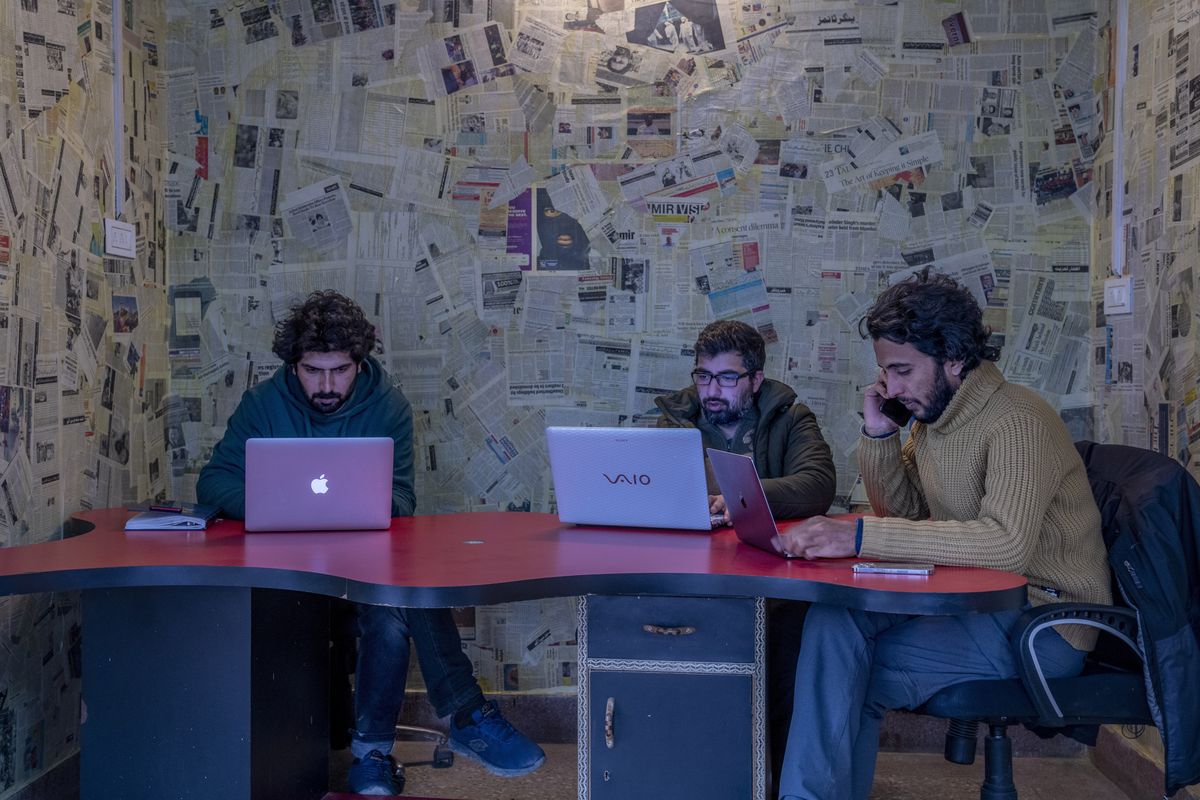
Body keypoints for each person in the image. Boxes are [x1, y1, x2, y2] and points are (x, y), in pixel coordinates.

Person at [772, 270, 1111, 800]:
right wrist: (879, 433)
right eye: (887, 372)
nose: (892, 388)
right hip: (973, 600)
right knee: (833, 620)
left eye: (903, 371)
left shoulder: (1018, 419)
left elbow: (1005, 545)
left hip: (1041, 620)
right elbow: (905, 512)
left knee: (852, 674)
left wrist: (859, 536)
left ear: (953, 358)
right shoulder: (937, 420)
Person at [196, 291, 545, 796]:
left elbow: (402, 498)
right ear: (294, 364)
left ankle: (374, 755)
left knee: (391, 608)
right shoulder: (262, 404)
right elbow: (213, 483)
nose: (327, 386)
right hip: (285, 577)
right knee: (396, 602)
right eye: (312, 371)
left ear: (359, 363)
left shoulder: (388, 407)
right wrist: (276, 507)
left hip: (363, 573)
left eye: (340, 370)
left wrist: (355, 506)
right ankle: (464, 714)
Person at [654, 319, 836, 787]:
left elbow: (817, 485)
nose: (711, 390)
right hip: (694, 578)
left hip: (773, 581)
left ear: (755, 379)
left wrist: (741, 496)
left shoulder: (790, 417)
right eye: (703, 375)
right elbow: (655, 487)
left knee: (791, 650)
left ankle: (782, 785)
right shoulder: (676, 420)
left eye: (727, 377)